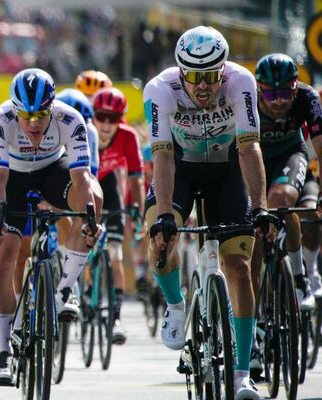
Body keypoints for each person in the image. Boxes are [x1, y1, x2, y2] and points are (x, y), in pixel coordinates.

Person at [144, 26, 273, 399]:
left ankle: (242, 375)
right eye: (195, 77)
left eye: (212, 76)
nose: (203, 86)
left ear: (224, 70)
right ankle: (175, 302)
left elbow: (249, 149)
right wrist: (166, 215)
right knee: (160, 239)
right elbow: (163, 155)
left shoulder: (241, 82)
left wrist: (261, 207)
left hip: (226, 170)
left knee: (239, 267)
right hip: (180, 169)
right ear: (181, 71)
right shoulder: (159, 89)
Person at [0, 68, 102, 386]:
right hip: (13, 177)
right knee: (4, 256)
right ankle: (3, 351)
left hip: (53, 170)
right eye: (26, 115)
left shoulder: (70, 119)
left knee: (95, 195)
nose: (34, 122)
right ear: (15, 109)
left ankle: (65, 289)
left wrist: (89, 218)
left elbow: (80, 178)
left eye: (41, 114)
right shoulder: (1, 119)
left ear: (52, 107)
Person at [248, 53, 322, 376]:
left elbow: (320, 145)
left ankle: (301, 275)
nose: (278, 102)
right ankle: (253, 322)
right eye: (270, 94)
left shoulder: (307, 98)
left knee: (282, 200)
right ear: (258, 90)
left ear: (295, 89)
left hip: (291, 157)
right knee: (250, 240)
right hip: (256, 162)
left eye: (284, 94)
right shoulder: (246, 97)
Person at [92, 87, 145, 345]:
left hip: (110, 187)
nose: (105, 124)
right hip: (87, 184)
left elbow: (136, 178)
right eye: (100, 116)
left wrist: (137, 210)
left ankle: (116, 318)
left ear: (121, 120)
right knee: (81, 244)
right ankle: (83, 290)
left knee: (115, 253)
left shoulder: (127, 136)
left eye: (112, 119)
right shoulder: (85, 130)